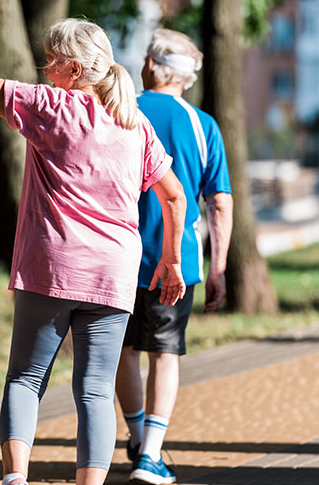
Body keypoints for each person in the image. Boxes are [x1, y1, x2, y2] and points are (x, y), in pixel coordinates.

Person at [0, 0, 186, 485]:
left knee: (25, 377)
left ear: (73, 70)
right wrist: (171, 258)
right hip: (113, 276)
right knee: (96, 390)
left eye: (51, 60)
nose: (44, 69)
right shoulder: (135, 124)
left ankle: (16, 479)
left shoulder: (50, 108)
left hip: (52, 267)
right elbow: (174, 196)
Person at [115, 28, 233, 485]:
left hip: (118, 255)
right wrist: (219, 265)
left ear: (149, 67)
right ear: (186, 79)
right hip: (176, 260)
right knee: (164, 352)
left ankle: (138, 435)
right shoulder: (203, 125)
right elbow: (218, 202)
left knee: (122, 349)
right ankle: (150, 456)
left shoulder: (121, 110)